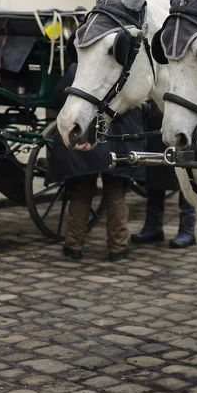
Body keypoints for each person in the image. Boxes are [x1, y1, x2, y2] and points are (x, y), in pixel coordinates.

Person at [49, 63, 145, 261]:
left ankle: (73, 245)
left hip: (87, 140)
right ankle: (118, 248)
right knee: (116, 196)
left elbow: (58, 95)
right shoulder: (127, 72)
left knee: (81, 195)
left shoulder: (78, 69)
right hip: (118, 141)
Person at [131, 100, 196, 248]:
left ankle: (187, 229)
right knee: (154, 183)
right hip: (156, 131)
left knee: (185, 184)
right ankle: (153, 227)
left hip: (182, 131)